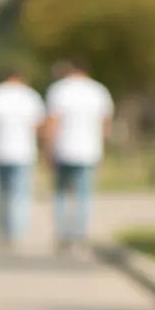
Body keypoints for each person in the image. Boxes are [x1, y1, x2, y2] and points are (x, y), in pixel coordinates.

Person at [45, 61, 114, 251]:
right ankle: (79, 234)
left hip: (64, 149)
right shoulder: (98, 91)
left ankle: (62, 233)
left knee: (62, 194)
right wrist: (103, 147)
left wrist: (48, 149)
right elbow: (106, 123)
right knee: (84, 195)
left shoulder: (59, 90)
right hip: (89, 150)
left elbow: (52, 122)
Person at [0, 71, 46, 248]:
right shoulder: (30, 96)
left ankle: (3, 231)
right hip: (24, 152)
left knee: (3, 193)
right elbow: (39, 126)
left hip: (0, 151)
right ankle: (17, 232)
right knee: (21, 194)